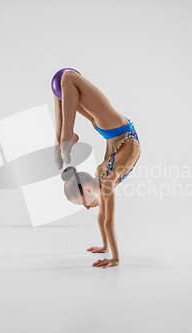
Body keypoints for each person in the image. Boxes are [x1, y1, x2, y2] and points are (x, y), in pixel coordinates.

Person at [52, 68, 141, 269]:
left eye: (81, 203)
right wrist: (104, 246)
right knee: (64, 92)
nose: (86, 207)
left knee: (69, 78)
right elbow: (102, 218)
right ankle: (60, 138)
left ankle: (65, 136)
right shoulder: (100, 178)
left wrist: (115, 258)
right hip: (113, 134)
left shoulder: (106, 181)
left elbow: (109, 222)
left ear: (88, 190)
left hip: (119, 132)